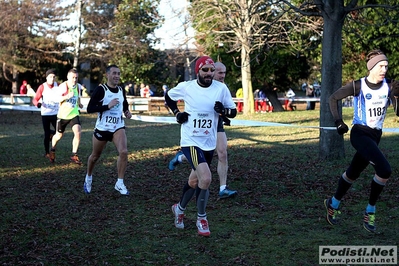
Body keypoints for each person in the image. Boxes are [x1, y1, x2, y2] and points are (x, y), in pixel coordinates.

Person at [325, 49, 399, 233]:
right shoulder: (358, 85)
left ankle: (332, 204)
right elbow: (333, 98)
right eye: (381, 66)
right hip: (359, 134)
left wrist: (397, 97)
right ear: (372, 67)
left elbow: (398, 112)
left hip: (375, 136)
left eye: (386, 66)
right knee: (384, 170)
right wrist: (338, 122)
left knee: (353, 172)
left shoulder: (389, 86)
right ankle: (370, 211)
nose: (384, 70)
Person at [165, 56, 237, 236]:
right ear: (198, 70)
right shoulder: (187, 87)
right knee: (206, 178)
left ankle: (179, 209)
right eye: (205, 70)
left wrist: (224, 111)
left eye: (212, 70)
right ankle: (202, 218)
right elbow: (169, 97)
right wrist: (177, 113)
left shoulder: (220, 88)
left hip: (208, 142)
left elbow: (233, 111)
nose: (209, 73)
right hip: (190, 141)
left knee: (194, 181)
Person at [83, 64, 132, 195]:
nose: (117, 76)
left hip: (117, 127)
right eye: (114, 73)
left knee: (124, 152)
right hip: (102, 128)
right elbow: (89, 109)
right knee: (95, 156)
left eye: (119, 73)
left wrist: (126, 111)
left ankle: (120, 183)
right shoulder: (101, 90)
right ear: (107, 75)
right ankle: (88, 177)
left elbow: (124, 103)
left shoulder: (121, 90)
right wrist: (107, 106)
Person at [49, 68, 83, 164]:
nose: (75, 80)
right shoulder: (63, 86)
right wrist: (66, 96)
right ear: (68, 77)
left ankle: (74, 154)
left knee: (78, 131)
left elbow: (78, 96)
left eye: (76, 78)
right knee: (59, 135)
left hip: (74, 113)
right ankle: (52, 149)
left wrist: (79, 104)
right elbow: (56, 99)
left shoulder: (78, 87)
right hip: (63, 115)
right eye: (73, 77)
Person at [32, 69, 59, 160]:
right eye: (50, 77)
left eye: (53, 77)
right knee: (46, 134)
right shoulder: (42, 87)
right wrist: (37, 104)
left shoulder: (58, 85)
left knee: (58, 132)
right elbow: (35, 99)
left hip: (55, 113)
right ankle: (47, 152)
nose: (52, 79)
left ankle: (52, 134)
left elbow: (64, 94)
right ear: (46, 77)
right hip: (45, 113)